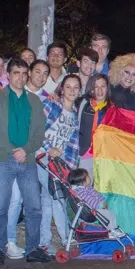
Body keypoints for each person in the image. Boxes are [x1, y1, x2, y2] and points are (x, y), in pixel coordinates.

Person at [0, 57, 50, 265]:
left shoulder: (34, 101)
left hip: (27, 159)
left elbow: (39, 132)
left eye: (24, 74)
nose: (20, 78)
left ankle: (32, 249)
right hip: (2, 159)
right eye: (16, 73)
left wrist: (26, 149)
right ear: (8, 75)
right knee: (0, 206)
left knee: (34, 206)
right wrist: (13, 150)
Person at [38, 74, 82, 253]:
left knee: (47, 199)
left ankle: (44, 242)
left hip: (59, 162)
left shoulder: (75, 115)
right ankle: (67, 239)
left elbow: (73, 145)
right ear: (61, 89)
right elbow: (35, 128)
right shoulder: (51, 105)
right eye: (68, 86)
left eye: (76, 87)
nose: (72, 90)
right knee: (57, 197)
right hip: (41, 156)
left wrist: (70, 168)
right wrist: (49, 148)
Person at [68, 168, 125, 239]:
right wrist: (100, 205)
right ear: (82, 180)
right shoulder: (80, 191)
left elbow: (97, 195)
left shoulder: (87, 188)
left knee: (111, 215)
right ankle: (111, 232)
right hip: (91, 211)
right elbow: (88, 200)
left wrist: (103, 201)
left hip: (97, 208)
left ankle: (113, 230)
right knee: (108, 215)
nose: (90, 177)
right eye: (88, 176)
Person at [78, 74, 113, 174]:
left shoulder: (113, 109)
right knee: (83, 181)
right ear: (91, 89)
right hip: (85, 151)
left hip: (104, 155)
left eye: (103, 86)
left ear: (107, 88)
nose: (100, 90)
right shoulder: (83, 103)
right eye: (96, 86)